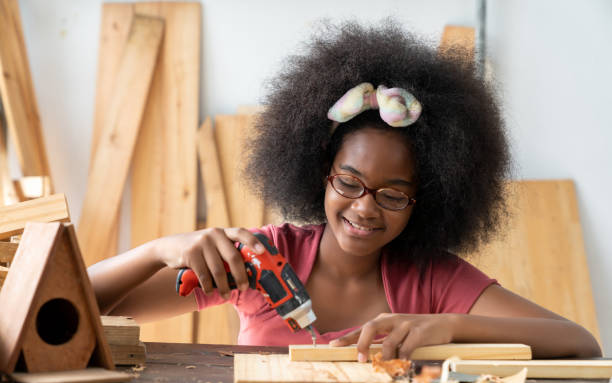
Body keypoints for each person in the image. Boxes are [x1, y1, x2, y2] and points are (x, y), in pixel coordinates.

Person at [89, 21, 601, 361]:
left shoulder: (433, 282)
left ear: (427, 199)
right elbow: (82, 309)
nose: (364, 208)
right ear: (320, 173)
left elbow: (579, 344)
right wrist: (158, 250)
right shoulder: (263, 260)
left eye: (393, 194)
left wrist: (446, 327)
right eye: (349, 183)